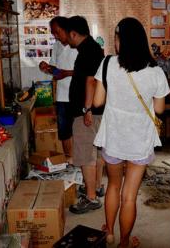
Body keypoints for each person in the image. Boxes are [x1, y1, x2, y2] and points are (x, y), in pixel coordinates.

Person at [93, 17, 170, 248]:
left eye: (116, 38)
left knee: (113, 186)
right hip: (140, 139)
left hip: (114, 136)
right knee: (129, 195)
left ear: (120, 41)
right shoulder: (155, 71)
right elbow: (159, 109)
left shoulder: (107, 64)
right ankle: (124, 242)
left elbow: (97, 102)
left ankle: (109, 233)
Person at [66, 16, 105, 214]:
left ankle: (91, 198)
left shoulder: (88, 50)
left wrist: (86, 109)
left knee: (85, 154)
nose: (66, 39)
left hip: (87, 112)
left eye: (67, 35)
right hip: (93, 111)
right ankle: (96, 187)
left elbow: (90, 81)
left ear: (74, 33)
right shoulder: (92, 48)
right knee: (95, 152)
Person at [39, 16, 77, 162]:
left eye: (57, 32)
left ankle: (81, 161)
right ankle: (70, 160)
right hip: (62, 96)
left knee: (79, 131)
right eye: (53, 33)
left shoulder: (78, 45)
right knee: (64, 130)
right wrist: (46, 68)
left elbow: (86, 71)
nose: (55, 35)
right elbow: (55, 69)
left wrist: (66, 73)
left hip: (78, 95)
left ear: (66, 29)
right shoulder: (56, 46)